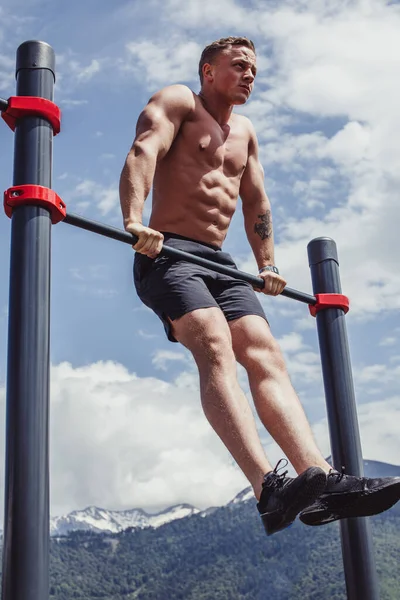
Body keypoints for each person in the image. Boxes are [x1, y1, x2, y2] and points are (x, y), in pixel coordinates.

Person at [119, 36, 400, 536]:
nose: (250, 75)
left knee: (265, 352)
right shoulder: (180, 101)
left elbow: (256, 202)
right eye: (240, 66)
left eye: (255, 69)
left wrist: (267, 264)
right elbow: (145, 147)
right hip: (169, 252)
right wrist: (135, 220)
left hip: (220, 261)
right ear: (208, 70)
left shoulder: (244, 131)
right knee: (213, 340)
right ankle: (267, 488)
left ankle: (321, 481)